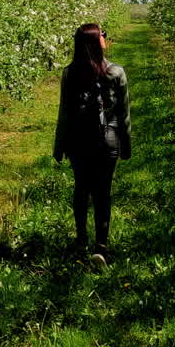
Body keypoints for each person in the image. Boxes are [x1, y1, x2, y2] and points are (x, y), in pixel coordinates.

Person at [53, 23, 131, 266]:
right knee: (102, 192)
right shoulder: (116, 72)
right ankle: (101, 246)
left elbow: (64, 111)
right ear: (97, 41)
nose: (105, 38)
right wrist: (126, 143)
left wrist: (59, 145)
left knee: (81, 189)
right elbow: (123, 113)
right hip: (107, 140)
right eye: (102, 35)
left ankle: (81, 241)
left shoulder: (70, 73)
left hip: (77, 140)